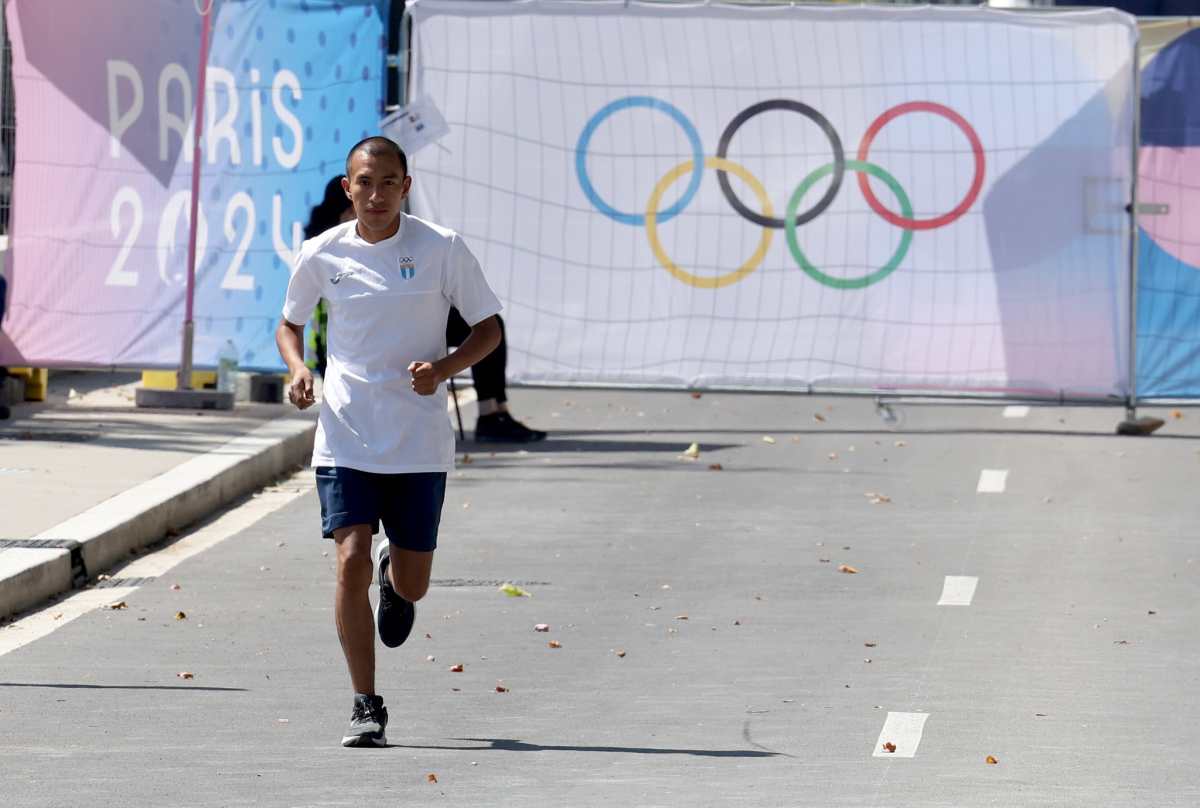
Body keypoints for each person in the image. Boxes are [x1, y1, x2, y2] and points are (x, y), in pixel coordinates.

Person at [276, 136, 503, 747]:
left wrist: (444, 369)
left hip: (417, 440)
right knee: (347, 558)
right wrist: (299, 369)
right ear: (347, 188)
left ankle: (394, 576)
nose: (376, 195)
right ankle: (365, 705)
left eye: (387, 183)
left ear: (406, 186)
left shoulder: (441, 247)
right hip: (346, 433)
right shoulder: (322, 252)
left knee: (414, 584)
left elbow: (488, 328)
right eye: (364, 182)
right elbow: (289, 324)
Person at [303, 176, 545, 443]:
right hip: (362, 336)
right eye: (362, 192)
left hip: (407, 314)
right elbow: (294, 319)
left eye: (386, 185)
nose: (373, 200)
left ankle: (493, 410)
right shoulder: (323, 248)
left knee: (487, 324)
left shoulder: (409, 234)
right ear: (347, 196)